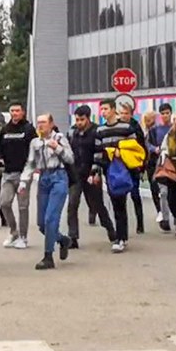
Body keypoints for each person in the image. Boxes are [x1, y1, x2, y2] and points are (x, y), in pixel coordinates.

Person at [16, 114, 74, 270]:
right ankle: (62, 240)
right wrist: (23, 181)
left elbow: (70, 158)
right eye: (38, 122)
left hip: (58, 177)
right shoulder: (35, 142)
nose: (40, 125)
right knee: (42, 223)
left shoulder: (60, 138)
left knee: (50, 218)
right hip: (43, 178)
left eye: (43, 122)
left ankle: (48, 256)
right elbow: (30, 163)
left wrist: (58, 148)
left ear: (51, 124)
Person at [94, 97, 146, 252]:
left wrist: (120, 152)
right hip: (109, 171)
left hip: (123, 169)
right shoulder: (100, 130)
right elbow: (98, 153)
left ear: (113, 109)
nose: (103, 112)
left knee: (120, 202)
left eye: (106, 109)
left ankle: (121, 237)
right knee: (115, 201)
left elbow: (134, 148)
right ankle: (121, 236)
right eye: (101, 109)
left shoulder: (126, 128)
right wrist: (96, 171)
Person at [67, 105, 116, 248]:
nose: (79, 123)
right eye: (77, 119)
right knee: (72, 204)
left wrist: (95, 172)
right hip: (76, 175)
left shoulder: (97, 131)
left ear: (88, 118)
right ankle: (73, 237)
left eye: (82, 119)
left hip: (91, 173)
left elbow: (100, 153)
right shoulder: (72, 132)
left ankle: (111, 231)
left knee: (98, 205)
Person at [0, 103, 37, 249]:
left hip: (23, 173)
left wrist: (33, 168)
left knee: (22, 206)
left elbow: (35, 148)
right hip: (7, 173)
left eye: (17, 110)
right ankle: (13, 232)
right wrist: (0, 159)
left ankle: (23, 237)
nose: (15, 113)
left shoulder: (29, 129)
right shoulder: (5, 130)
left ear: (23, 112)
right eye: (12, 110)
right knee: (4, 203)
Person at [119, 103, 146, 233]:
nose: (123, 116)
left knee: (135, 195)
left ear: (131, 114)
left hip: (134, 166)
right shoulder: (117, 127)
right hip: (120, 166)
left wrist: (142, 167)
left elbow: (142, 147)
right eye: (121, 113)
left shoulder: (135, 127)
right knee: (120, 196)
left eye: (126, 113)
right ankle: (123, 226)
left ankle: (140, 223)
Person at [145, 106, 173, 231]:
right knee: (159, 190)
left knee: (170, 191)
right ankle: (162, 214)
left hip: (172, 162)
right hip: (156, 163)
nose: (165, 115)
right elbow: (147, 143)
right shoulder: (154, 130)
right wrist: (154, 149)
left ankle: (173, 215)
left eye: (167, 113)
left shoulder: (174, 128)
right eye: (163, 113)